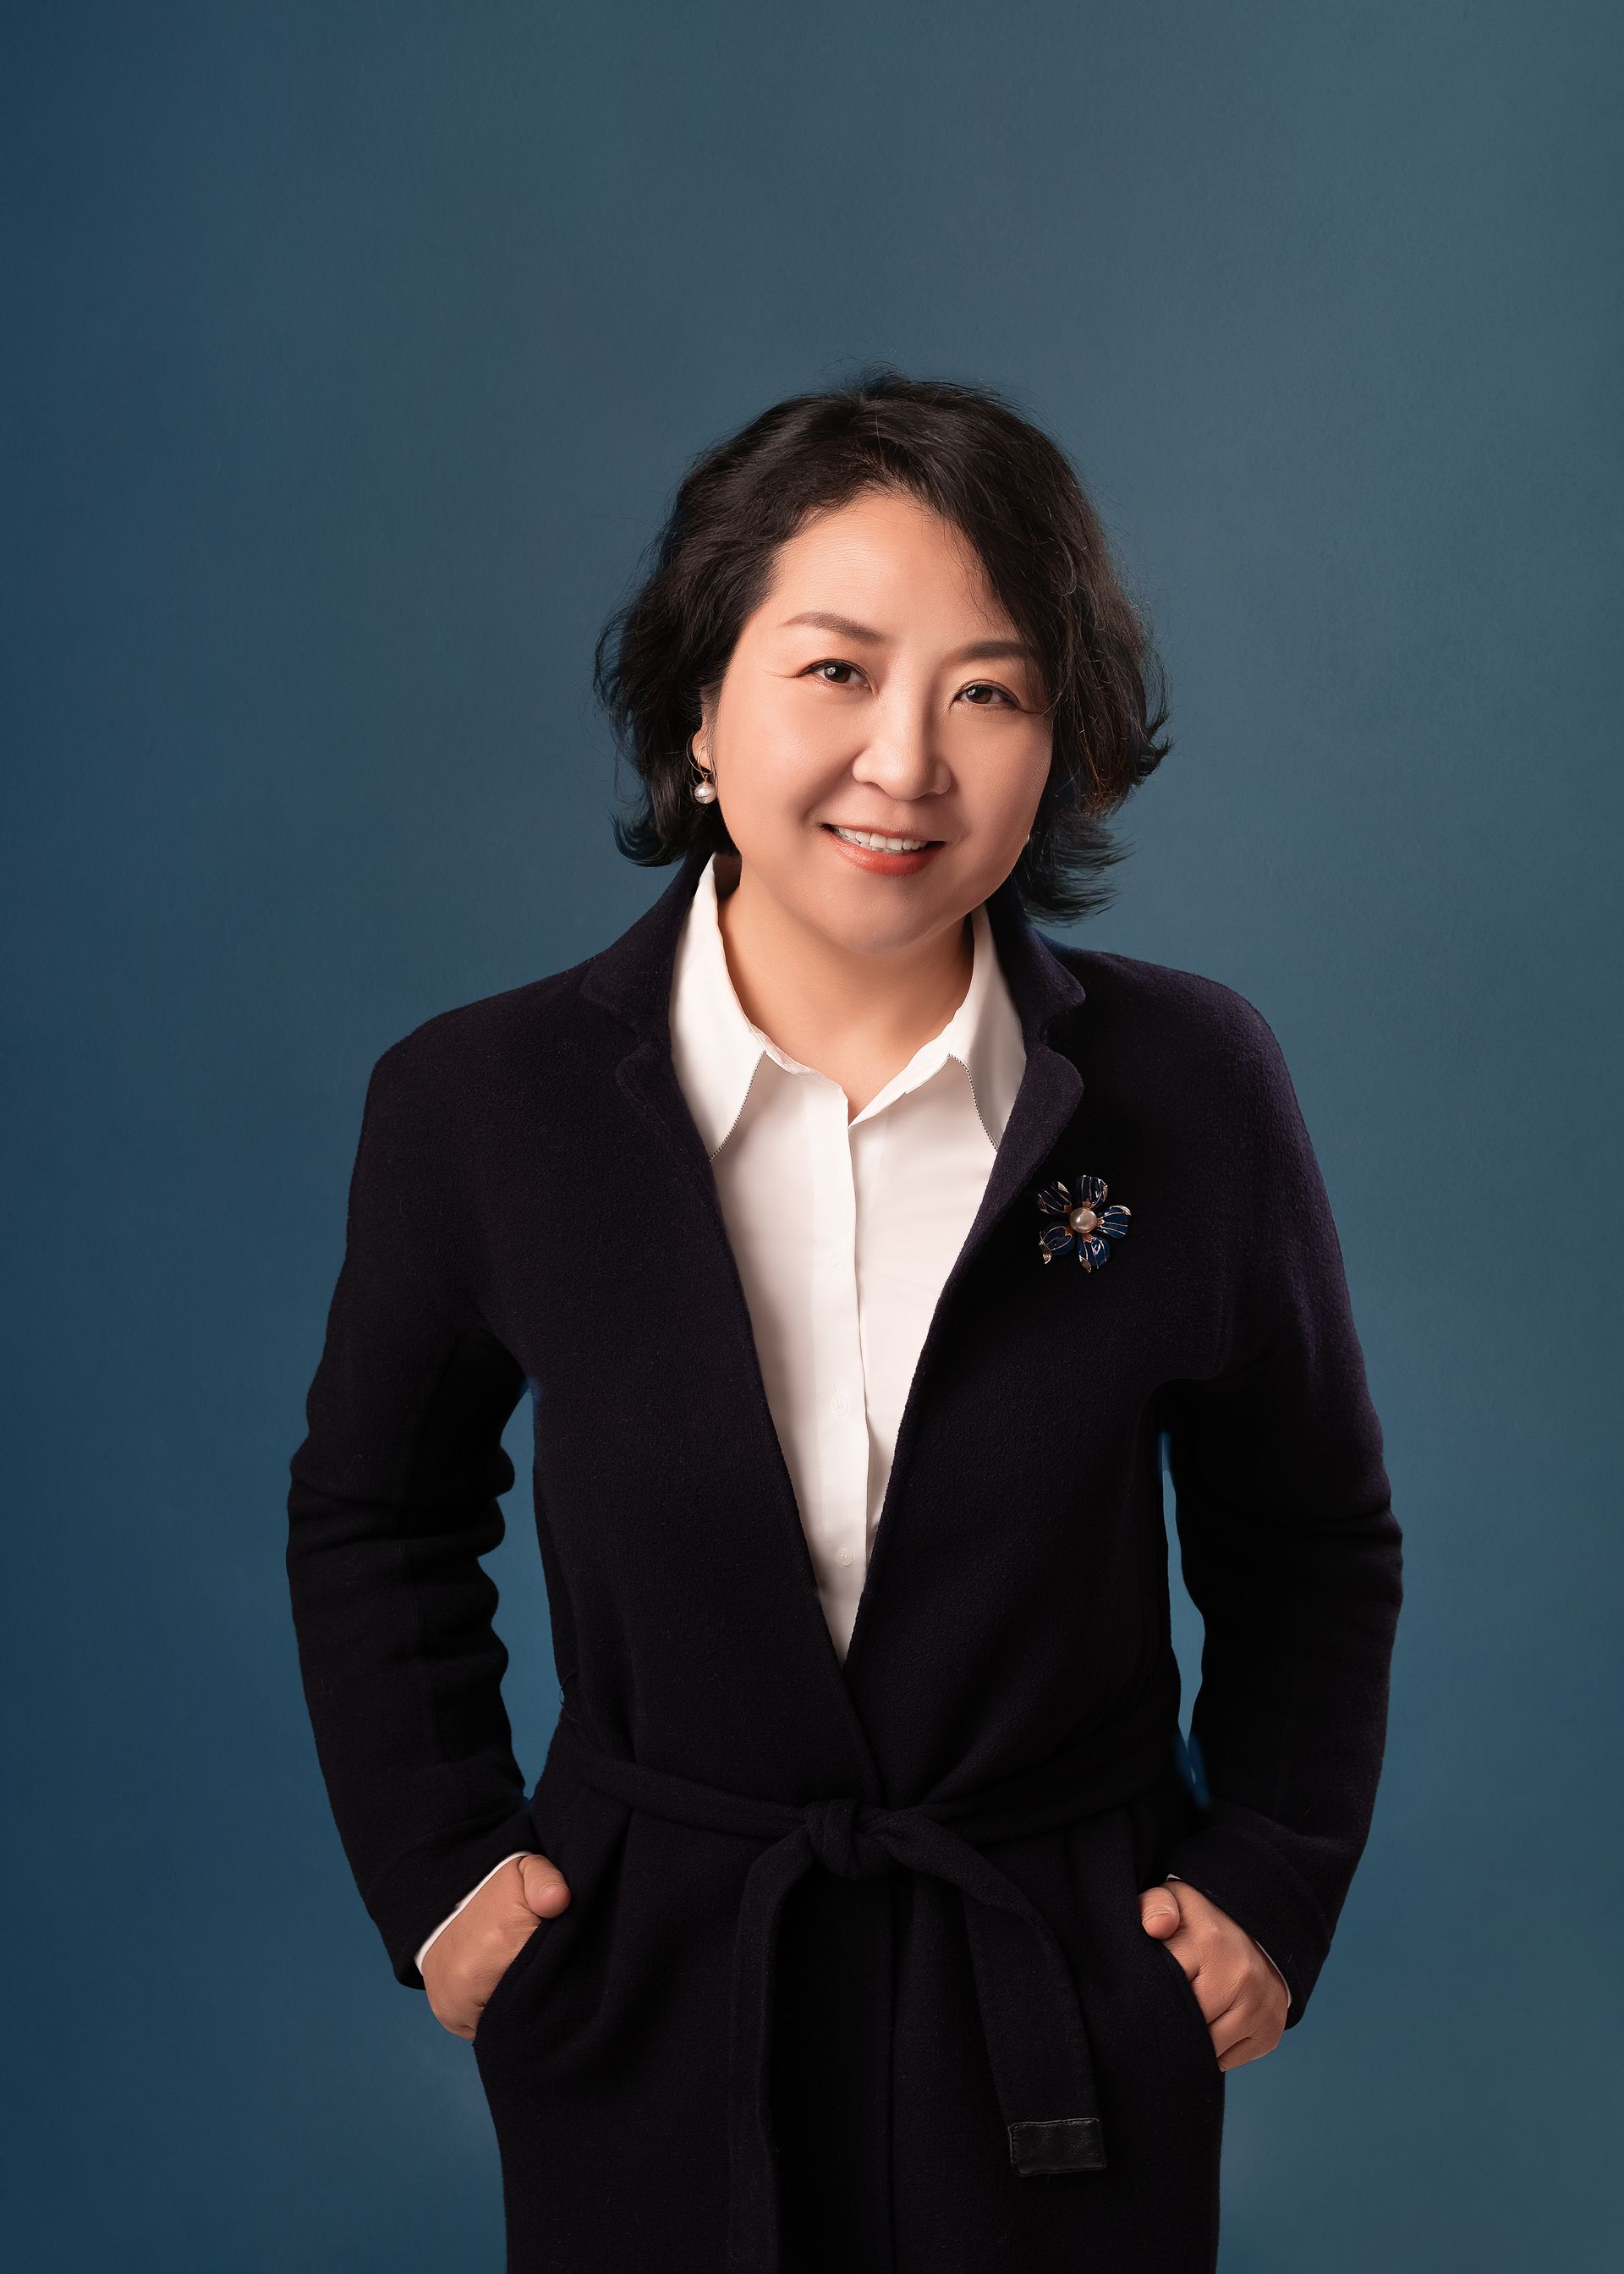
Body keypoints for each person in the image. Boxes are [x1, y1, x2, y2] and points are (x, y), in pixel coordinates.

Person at [286, 369, 1402, 2273]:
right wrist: (445, 1874)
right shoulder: (479, 1106)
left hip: (1058, 1985)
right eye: (835, 671)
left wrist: (1273, 1878)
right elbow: (377, 1515)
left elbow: (1311, 1537)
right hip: (651, 1989)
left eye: (989, 689)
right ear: (698, 712)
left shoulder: (1194, 1086)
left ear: (1059, 750)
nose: (908, 761)